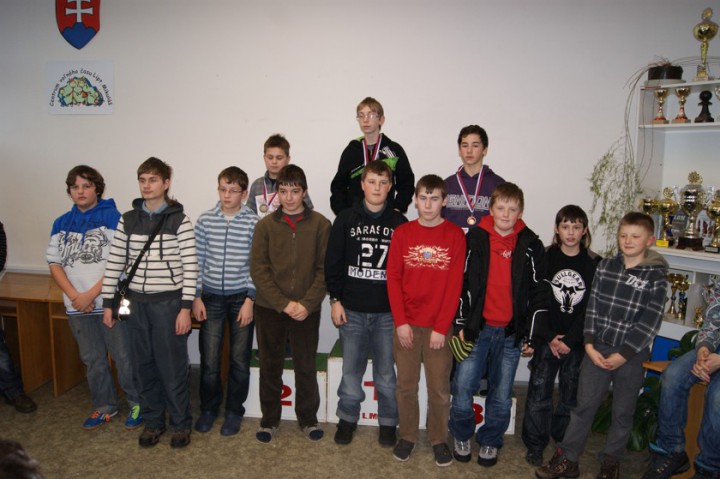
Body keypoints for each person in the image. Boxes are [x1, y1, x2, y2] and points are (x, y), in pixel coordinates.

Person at [536, 212, 669, 479]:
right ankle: (568, 458)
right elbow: (593, 307)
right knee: (583, 406)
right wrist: (589, 345)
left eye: (635, 236)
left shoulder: (656, 276)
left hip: (631, 354)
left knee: (622, 412)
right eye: (623, 235)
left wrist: (624, 354)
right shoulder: (606, 266)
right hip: (597, 349)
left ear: (649, 240)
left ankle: (611, 461)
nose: (627, 241)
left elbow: (650, 320)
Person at [101, 157, 198, 449]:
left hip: (168, 304)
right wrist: (108, 303)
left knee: (172, 367)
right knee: (143, 366)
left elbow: (190, 267)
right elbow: (114, 262)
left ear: (166, 183)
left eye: (153, 180)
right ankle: (154, 422)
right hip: (135, 304)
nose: (147, 185)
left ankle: (180, 424)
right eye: (142, 180)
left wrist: (185, 308)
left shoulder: (179, 220)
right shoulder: (128, 219)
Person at [449, 182, 547, 468]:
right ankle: (462, 435)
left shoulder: (531, 244)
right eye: (501, 208)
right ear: (490, 209)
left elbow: (539, 292)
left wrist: (531, 334)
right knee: (463, 386)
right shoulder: (475, 238)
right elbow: (460, 282)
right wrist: (462, 323)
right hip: (476, 330)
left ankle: (491, 440)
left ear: (520, 212)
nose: (506, 214)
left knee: (502, 394)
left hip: (510, 334)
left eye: (512, 209)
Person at [46, 165, 140, 430]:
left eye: (86, 186)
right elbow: (54, 263)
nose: (80, 191)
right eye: (75, 187)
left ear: (97, 189)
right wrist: (75, 295)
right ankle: (105, 406)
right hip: (77, 306)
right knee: (93, 360)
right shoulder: (61, 223)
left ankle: (138, 402)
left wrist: (91, 294)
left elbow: (120, 262)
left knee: (124, 357)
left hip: (110, 303)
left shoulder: (114, 218)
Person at [324, 161, 407, 447]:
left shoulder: (399, 223)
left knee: (386, 374)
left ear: (390, 186)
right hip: (352, 311)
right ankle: (347, 419)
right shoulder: (345, 219)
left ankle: (388, 422)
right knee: (351, 371)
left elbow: (406, 271)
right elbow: (333, 263)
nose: (377, 188)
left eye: (383, 183)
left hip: (387, 313)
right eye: (372, 181)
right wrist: (335, 300)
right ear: (362, 185)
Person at [386, 174, 465, 467]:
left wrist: (442, 327)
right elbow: (393, 278)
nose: (428, 204)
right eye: (423, 198)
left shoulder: (455, 236)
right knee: (406, 386)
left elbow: (455, 286)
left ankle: (438, 439)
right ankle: (407, 436)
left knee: (439, 389)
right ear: (415, 201)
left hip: (438, 328)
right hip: (406, 325)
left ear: (444, 201)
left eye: (434, 199)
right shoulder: (402, 233)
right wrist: (401, 322)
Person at [250, 164, 330, 444]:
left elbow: (324, 270)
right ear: (277, 193)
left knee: (305, 366)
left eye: (295, 191)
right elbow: (258, 270)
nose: (289, 197)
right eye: (283, 191)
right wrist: (284, 304)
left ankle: (308, 419)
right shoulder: (265, 226)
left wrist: (306, 304)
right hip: (270, 308)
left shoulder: (321, 224)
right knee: (270, 366)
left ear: (304, 192)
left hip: (307, 309)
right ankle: (269, 420)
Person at [522, 205, 601, 467]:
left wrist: (570, 340)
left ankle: (562, 441)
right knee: (539, 392)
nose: (571, 232)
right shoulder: (544, 257)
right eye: (565, 226)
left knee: (571, 395)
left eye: (576, 227)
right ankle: (535, 444)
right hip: (548, 338)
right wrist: (549, 337)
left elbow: (592, 307)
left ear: (584, 230)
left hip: (576, 341)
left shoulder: (594, 263)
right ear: (557, 229)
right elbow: (536, 300)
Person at [192, 167, 259, 436]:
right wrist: (196, 296)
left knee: (239, 360)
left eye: (233, 190)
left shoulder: (253, 222)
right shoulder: (205, 220)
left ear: (244, 193)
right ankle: (209, 409)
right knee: (209, 360)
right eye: (222, 189)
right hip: (210, 299)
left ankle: (234, 411)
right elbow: (196, 261)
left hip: (241, 298)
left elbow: (256, 264)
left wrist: (250, 299)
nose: (227, 195)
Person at [642, 280, 720, 479]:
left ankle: (709, 468)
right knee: (673, 376)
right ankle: (672, 451)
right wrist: (704, 349)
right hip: (714, 350)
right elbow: (712, 322)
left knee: (717, 397)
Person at [330, 96, 414, 215]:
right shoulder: (351, 150)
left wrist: (397, 208)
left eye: (370, 115)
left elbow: (407, 184)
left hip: (385, 216)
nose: (365, 120)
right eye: (361, 115)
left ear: (381, 119)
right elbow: (338, 187)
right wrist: (344, 213)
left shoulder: (393, 150)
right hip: (355, 217)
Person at [443, 125, 505, 232]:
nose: (469, 150)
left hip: (486, 242)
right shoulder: (447, 184)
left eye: (475, 145)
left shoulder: (498, 184)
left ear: (484, 150)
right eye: (465, 145)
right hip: (453, 241)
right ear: (459, 150)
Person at [246, 134, 314, 219]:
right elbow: (249, 213)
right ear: (264, 158)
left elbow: (308, 211)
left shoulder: (295, 183)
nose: (274, 161)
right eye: (270, 157)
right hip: (263, 226)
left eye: (279, 158)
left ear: (288, 159)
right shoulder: (257, 185)